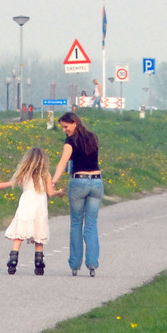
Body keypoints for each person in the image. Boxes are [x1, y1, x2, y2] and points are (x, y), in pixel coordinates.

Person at [52, 111, 103, 277]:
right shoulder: (92, 137)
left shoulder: (70, 141)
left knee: (76, 223)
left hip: (79, 181)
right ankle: (92, 264)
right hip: (96, 182)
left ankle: (75, 264)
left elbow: (63, 162)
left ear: (74, 123)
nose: (64, 130)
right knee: (91, 223)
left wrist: (53, 181)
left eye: (65, 127)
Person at [3, 146, 63, 275]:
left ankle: (13, 259)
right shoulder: (45, 174)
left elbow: (13, 183)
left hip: (26, 203)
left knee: (20, 232)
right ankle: (39, 262)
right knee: (39, 232)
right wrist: (59, 192)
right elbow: (50, 193)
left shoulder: (24, 173)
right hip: (40, 205)